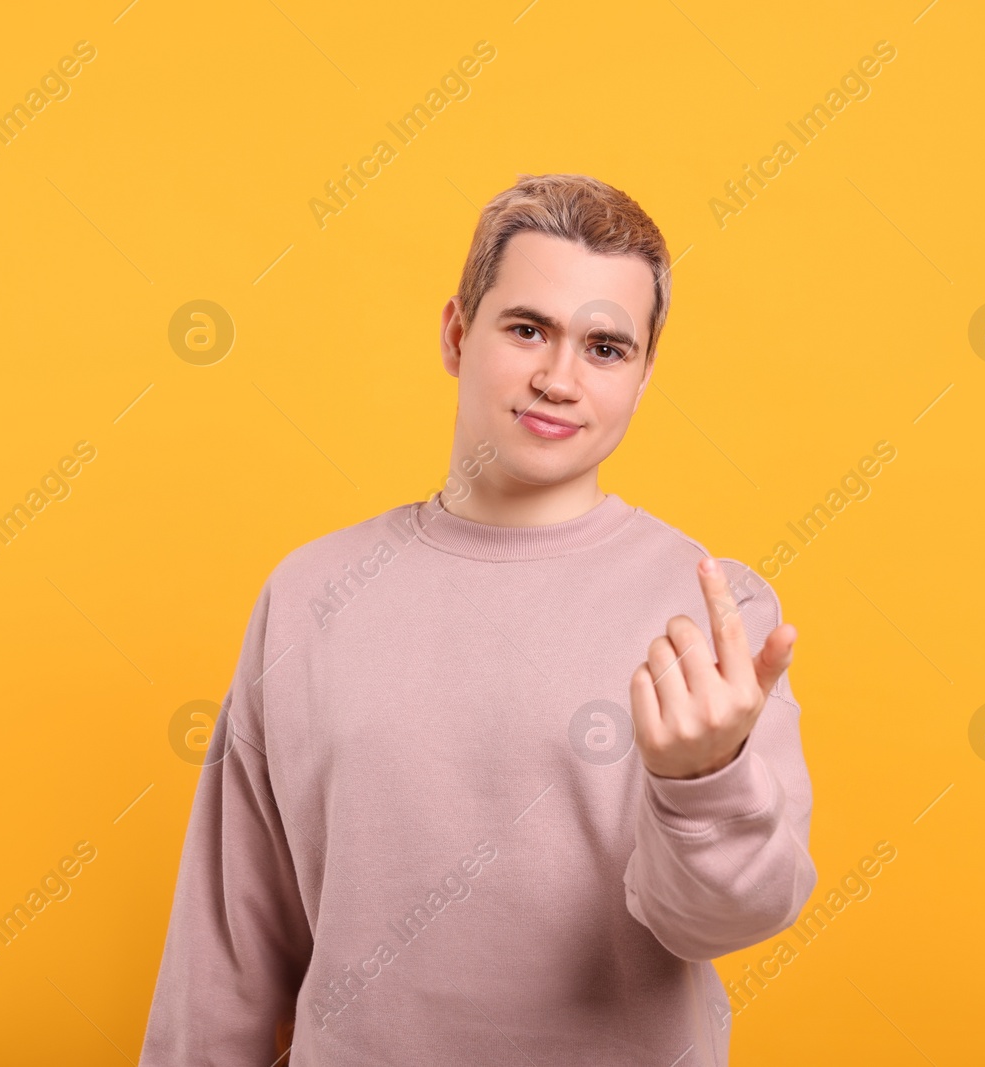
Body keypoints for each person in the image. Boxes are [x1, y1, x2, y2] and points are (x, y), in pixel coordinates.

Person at [138, 173, 816, 1066]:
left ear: (645, 375)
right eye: (528, 328)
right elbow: (226, 943)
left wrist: (704, 784)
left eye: (606, 347)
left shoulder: (710, 611)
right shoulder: (311, 593)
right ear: (459, 334)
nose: (558, 378)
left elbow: (730, 917)